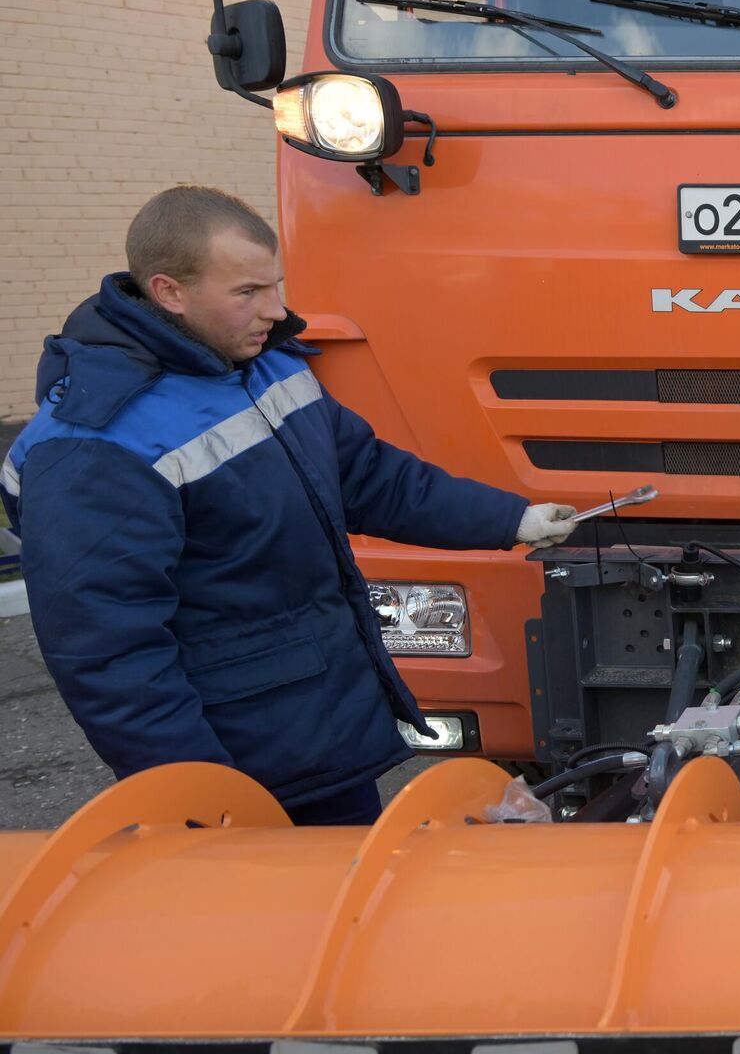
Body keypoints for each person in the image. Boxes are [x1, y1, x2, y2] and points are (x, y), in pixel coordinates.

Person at [0, 186, 582, 825]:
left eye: (275, 285)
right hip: (240, 776)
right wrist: (203, 805)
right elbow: (109, 655)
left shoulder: (262, 366)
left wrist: (512, 520)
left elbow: (370, 478)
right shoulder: (97, 443)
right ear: (169, 292)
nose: (275, 311)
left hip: (316, 740)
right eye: (247, 293)